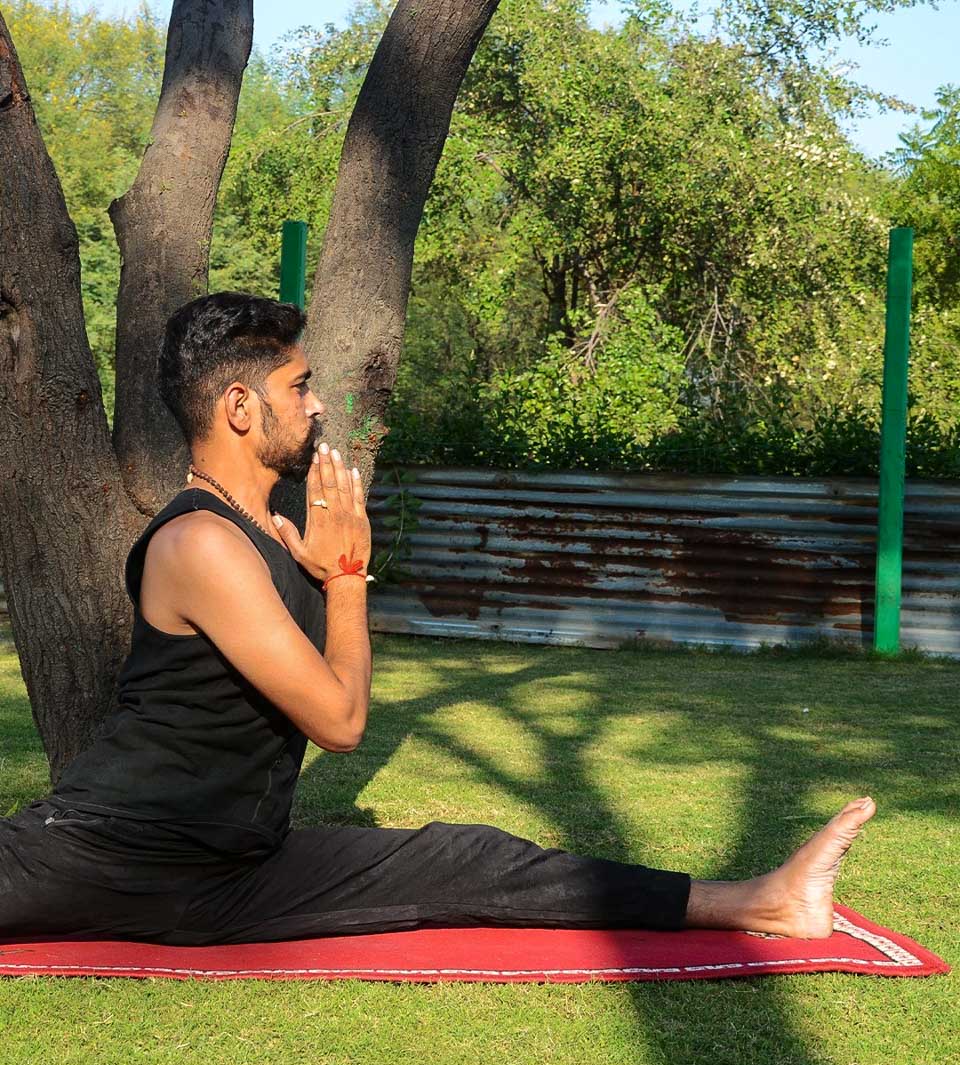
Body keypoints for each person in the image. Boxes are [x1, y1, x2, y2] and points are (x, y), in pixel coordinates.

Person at [0, 293, 875, 946]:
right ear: (238, 407)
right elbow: (340, 723)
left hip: (230, 870)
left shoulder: (269, 531)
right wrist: (346, 576)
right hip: (105, 852)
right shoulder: (201, 544)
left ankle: (759, 901)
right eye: (298, 387)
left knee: (469, 858)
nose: (317, 406)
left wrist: (332, 571)